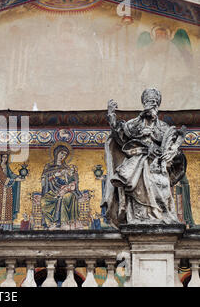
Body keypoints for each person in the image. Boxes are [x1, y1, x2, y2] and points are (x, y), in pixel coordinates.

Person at [101, 88, 186, 226]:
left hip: (157, 166)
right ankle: (139, 218)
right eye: (148, 102)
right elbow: (119, 134)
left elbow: (171, 147)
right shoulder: (134, 124)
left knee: (161, 191)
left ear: (157, 106)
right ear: (144, 104)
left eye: (154, 102)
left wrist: (171, 153)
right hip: (138, 162)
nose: (151, 104)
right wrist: (111, 117)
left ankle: (160, 216)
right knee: (135, 187)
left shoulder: (163, 127)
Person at [40, 143, 84, 229]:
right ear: (56, 153)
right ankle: (51, 223)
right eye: (61, 153)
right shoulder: (49, 167)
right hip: (52, 191)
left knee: (67, 196)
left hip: (65, 190)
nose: (62, 156)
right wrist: (54, 175)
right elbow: (43, 181)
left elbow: (73, 181)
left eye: (65, 154)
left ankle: (64, 223)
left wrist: (73, 175)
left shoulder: (67, 168)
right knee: (44, 201)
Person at [0, 153, 24, 231]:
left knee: (8, 206)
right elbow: (3, 177)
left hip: (8, 189)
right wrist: (15, 180)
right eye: (3, 157)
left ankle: (7, 227)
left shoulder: (7, 167)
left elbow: (11, 175)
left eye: (6, 157)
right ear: (1, 158)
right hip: (0, 189)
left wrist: (19, 177)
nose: (5, 158)